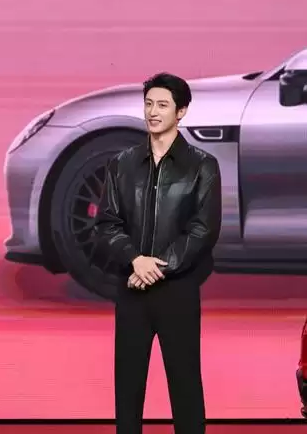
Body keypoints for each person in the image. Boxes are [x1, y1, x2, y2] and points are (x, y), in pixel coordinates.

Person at [93, 72, 222, 434]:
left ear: (181, 111)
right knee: (128, 391)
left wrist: (157, 268)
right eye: (148, 104)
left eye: (162, 105)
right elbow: (106, 224)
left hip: (177, 291)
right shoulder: (122, 164)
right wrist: (135, 260)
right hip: (131, 289)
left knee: (185, 387)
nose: (153, 112)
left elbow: (202, 230)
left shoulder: (202, 165)